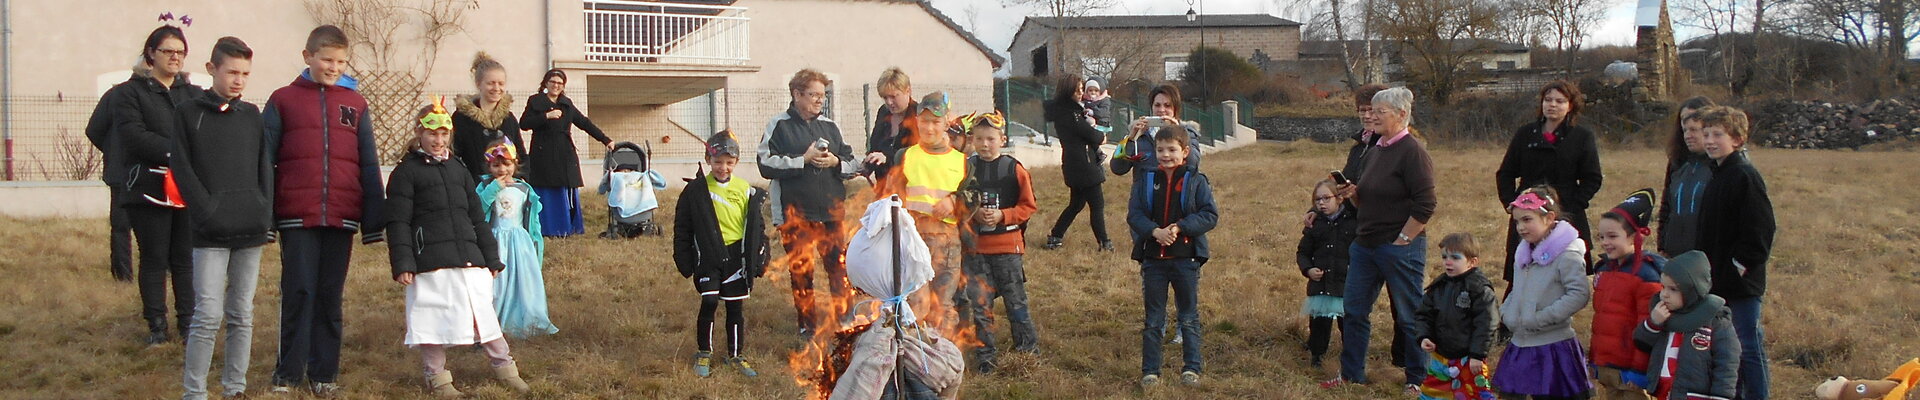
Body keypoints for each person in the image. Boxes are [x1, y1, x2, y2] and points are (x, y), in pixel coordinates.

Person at [264, 25, 389, 396]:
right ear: (307, 57)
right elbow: (265, 161)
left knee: (329, 295)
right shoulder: (282, 100)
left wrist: (373, 220)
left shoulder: (356, 104)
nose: (333, 67)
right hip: (296, 215)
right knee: (299, 291)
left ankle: (324, 373)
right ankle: (287, 373)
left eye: (341, 61)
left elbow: (368, 162)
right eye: (326, 60)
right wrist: (267, 218)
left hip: (341, 215)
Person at [386, 98, 528, 397]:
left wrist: (490, 257)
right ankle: (437, 377)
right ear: (419, 133)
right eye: (432, 134)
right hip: (430, 260)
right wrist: (403, 263)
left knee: (484, 315)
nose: (438, 140)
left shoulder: (459, 169)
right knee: (432, 319)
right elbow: (398, 221)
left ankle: (505, 368)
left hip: (468, 257)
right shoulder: (405, 173)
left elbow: (476, 216)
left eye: (444, 134)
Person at [172, 37, 270, 400]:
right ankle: (194, 392)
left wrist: (264, 210)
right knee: (208, 315)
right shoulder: (187, 113)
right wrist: (206, 210)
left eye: (245, 73)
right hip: (209, 231)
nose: (239, 80)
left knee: (242, 313)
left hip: (250, 228)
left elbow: (264, 167)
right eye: (232, 72)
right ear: (212, 69)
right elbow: (182, 167)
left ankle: (235, 388)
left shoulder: (252, 115)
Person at [1327, 87, 1434, 391]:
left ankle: (1417, 380)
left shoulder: (1413, 152)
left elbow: (1426, 205)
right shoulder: (1375, 151)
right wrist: (1354, 195)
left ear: (1401, 114)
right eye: (1370, 111)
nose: (1371, 116)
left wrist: (1403, 239)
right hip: (1364, 245)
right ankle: (1351, 375)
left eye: (1380, 111)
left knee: (1409, 315)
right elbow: (1367, 201)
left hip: (1398, 248)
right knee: (1355, 310)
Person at [103, 24, 200, 345]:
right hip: (147, 188)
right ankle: (157, 326)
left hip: (186, 189)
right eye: (168, 51)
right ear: (150, 54)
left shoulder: (192, 93)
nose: (175, 58)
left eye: (180, 52)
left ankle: (188, 324)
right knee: (155, 257)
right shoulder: (128, 93)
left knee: (185, 259)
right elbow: (133, 136)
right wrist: (176, 152)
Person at [758, 68, 857, 336]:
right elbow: (765, 163)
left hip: (831, 214)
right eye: (813, 94)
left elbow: (853, 163)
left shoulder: (830, 126)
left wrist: (836, 162)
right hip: (796, 216)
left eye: (823, 95)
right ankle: (807, 326)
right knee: (802, 275)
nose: (819, 100)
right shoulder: (779, 125)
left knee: (839, 271)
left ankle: (846, 321)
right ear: (796, 94)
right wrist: (803, 159)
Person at [1692, 106, 1775, 400]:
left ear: (1738, 139)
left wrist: (1739, 267)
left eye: (1718, 134)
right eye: (1706, 134)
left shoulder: (1744, 175)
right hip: (1717, 280)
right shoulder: (1717, 174)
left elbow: (1760, 230)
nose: (1710, 140)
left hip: (1740, 283)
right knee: (1727, 347)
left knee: (1747, 346)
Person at [1127, 126, 1218, 388]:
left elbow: (1209, 215)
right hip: (1154, 260)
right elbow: (1134, 215)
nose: (1165, 155)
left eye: (1172, 150)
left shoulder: (1196, 180)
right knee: (1154, 318)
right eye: (1160, 150)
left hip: (1185, 260)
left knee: (1188, 316)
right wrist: (1154, 231)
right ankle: (1150, 371)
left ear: (1185, 152)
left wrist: (1179, 227)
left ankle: (1191, 368)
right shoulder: (1145, 180)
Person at [673, 131, 770, 378]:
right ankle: (704, 351)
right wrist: (683, 258)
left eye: (729, 162)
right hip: (707, 255)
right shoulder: (695, 190)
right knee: (709, 301)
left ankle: (735, 355)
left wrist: (761, 255)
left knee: (735, 307)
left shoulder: (745, 190)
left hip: (736, 256)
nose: (723, 167)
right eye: (717, 161)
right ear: (708, 160)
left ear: (736, 163)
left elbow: (757, 227)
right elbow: (682, 226)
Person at [879, 91, 969, 334]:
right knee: (915, 304)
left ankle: (944, 362)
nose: (929, 128)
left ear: (946, 123)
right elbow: (891, 198)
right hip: (912, 240)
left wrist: (955, 200)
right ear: (916, 122)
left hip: (946, 242)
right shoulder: (905, 156)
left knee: (943, 306)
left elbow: (976, 197)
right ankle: (915, 359)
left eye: (936, 122)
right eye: (925, 121)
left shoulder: (962, 162)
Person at [1492, 186, 1595, 400]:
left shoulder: (1567, 255)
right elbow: (1516, 289)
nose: (1520, 227)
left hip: (1553, 347)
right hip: (1520, 343)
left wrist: (1541, 318)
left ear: (1549, 217)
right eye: (1517, 221)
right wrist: (1507, 313)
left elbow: (1578, 294)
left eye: (1527, 220)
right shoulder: (1523, 253)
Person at [958, 111, 1041, 374]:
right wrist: (973, 213)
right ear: (972, 140)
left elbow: (1029, 206)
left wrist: (1004, 215)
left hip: (1007, 248)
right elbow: (957, 202)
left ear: (1002, 139)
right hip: (975, 249)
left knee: (1016, 302)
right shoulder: (966, 168)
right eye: (979, 139)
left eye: (991, 139)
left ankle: (1028, 351)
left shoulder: (1013, 168)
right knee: (981, 305)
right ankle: (986, 357)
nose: (985, 144)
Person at [1496, 80, 1603, 278]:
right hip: (1528, 211)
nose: (1552, 105)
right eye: (1548, 100)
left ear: (1570, 105)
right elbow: (1506, 173)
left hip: (1566, 213)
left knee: (1563, 276)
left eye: (1560, 101)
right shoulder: (1525, 134)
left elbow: (1592, 178)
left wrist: (1573, 205)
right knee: (1522, 274)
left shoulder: (1581, 136)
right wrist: (1513, 204)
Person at [1589, 189, 1668, 400]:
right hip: (1610, 368)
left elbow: (1648, 327)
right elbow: (1601, 321)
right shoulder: (1604, 270)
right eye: (1602, 236)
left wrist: (1640, 371)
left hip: (1633, 374)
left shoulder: (1647, 276)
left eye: (1613, 236)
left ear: (1634, 236)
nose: (1605, 242)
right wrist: (1596, 360)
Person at [478, 141, 559, 339]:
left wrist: (536, 245)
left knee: (523, 281)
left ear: (515, 164)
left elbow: (532, 220)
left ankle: (525, 319)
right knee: (497, 284)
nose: (502, 169)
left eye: (506, 164)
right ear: (489, 166)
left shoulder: (524, 189)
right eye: (496, 165)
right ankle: (492, 322)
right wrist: (492, 190)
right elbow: (478, 210)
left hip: (519, 243)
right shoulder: (485, 186)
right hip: (496, 241)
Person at [1633, 251, 1739, 400]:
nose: (1664, 294)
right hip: (1662, 393)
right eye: (1663, 287)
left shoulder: (1716, 321)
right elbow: (1641, 343)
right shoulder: (1663, 314)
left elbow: (1727, 364)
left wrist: (1720, 397)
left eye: (1673, 289)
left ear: (1692, 290)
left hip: (1695, 396)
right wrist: (1653, 323)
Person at [519, 68, 612, 237]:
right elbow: (524, 123)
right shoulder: (535, 101)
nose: (556, 86)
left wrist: (605, 140)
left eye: (560, 83)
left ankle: (567, 227)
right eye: (553, 82)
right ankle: (545, 228)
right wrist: (546, 116)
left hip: (564, 155)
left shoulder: (567, 104)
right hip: (542, 155)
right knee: (544, 191)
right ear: (546, 83)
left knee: (565, 191)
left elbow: (584, 123)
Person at [1411, 233, 1497, 400]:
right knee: (1432, 393)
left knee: (1473, 395)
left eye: (1455, 258)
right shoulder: (1438, 287)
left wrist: (1477, 355)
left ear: (1472, 262)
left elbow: (1487, 324)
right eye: (1444, 257)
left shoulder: (1479, 289)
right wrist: (1424, 336)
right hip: (1441, 356)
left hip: (1469, 359)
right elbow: (1423, 315)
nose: (1447, 262)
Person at [1041, 74, 1112, 251]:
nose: (1082, 93)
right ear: (1069, 91)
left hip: (1073, 165)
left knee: (1076, 204)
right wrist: (1101, 135)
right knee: (1097, 205)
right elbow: (1093, 135)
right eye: (1078, 90)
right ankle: (1105, 243)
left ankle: (1056, 236)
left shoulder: (1063, 112)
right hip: (1085, 166)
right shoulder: (1072, 115)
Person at [1296, 178, 1354, 369]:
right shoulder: (1314, 225)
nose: (1321, 203)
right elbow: (1303, 252)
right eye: (1317, 199)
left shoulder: (1352, 222)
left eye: (1326, 198)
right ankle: (1317, 355)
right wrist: (1308, 270)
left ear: (1339, 199)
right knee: (1319, 322)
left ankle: (1352, 355)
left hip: (1345, 283)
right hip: (1320, 285)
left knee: (1349, 323)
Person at [1656, 96, 1715, 256]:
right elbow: (1667, 206)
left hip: (1705, 252)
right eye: (1684, 123)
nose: (1688, 129)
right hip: (1675, 249)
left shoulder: (1721, 165)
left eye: (1695, 124)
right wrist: (1662, 245)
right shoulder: (1677, 162)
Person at [452, 52, 525, 181]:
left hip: (507, 192)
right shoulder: (461, 118)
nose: (496, 88)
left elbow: (521, 156)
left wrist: (520, 182)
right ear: (478, 83)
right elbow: (454, 157)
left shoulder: (509, 119)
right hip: (474, 190)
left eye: (501, 83)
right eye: (491, 83)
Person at [1111, 84, 1202, 178]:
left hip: (1176, 190)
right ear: (1152, 107)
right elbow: (1117, 168)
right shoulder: (1141, 133)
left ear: (1175, 109)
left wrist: (1179, 134)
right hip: (1145, 191)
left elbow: (1193, 164)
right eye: (1157, 105)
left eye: (1167, 106)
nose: (1161, 110)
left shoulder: (1188, 133)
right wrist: (1130, 139)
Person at [864, 67, 916, 180]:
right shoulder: (883, 112)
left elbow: (917, 156)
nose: (889, 102)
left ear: (908, 91)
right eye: (885, 97)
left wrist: (888, 158)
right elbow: (874, 146)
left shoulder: (919, 116)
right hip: (884, 187)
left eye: (893, 96)